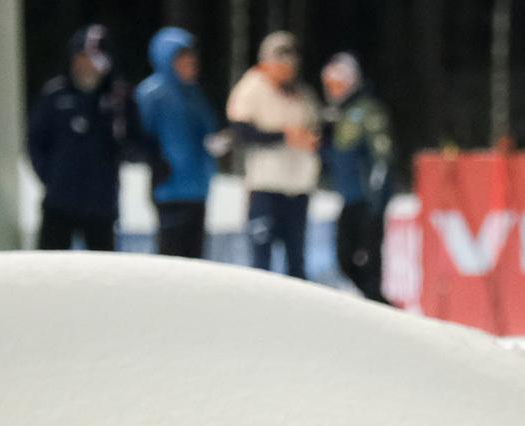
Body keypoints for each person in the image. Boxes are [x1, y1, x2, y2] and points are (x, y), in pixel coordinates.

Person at [28, 25, 142, 251]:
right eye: (80, 57)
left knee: (102, 272)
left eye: (92, 59)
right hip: (59, 203)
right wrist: (52, 177)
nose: (85, 65)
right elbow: (36, 142)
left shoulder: (118, 99)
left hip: (100, 204)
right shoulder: (55, 95)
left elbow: (131, 141)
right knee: (51, 269)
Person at [227, 31, 321, 279]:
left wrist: (312, 140)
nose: (287, 70)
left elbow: (316, 127)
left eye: (291, 64)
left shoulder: (302, 93)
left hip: (297, 187)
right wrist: (283, 136)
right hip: (265, 187)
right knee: (262, 261)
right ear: (267, 62)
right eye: (281, 64)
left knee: (296, 260)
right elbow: (241, 132)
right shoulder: (251, 88)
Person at [137, 27, 221, 259]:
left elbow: (209, 130)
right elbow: (138, 137)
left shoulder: (196, 94)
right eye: (183, 57)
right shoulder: (150, 94)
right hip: (169, 188)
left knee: (195, 257)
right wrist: (156, 162)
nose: (191, 63)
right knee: (171, 258)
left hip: (198, 188)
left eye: (192, 57)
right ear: (167, 59)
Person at [319, 52, 392, 301]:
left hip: (367, 199)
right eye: (329, 84)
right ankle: (377, 304)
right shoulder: (336, 114)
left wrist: (376, 199)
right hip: (349, 197)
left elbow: (381, 155)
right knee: (344, 259)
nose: (332, 90)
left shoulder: (366, 110)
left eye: (338, 83)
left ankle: (380, 307)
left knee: (368, 260)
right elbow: (333, 158)